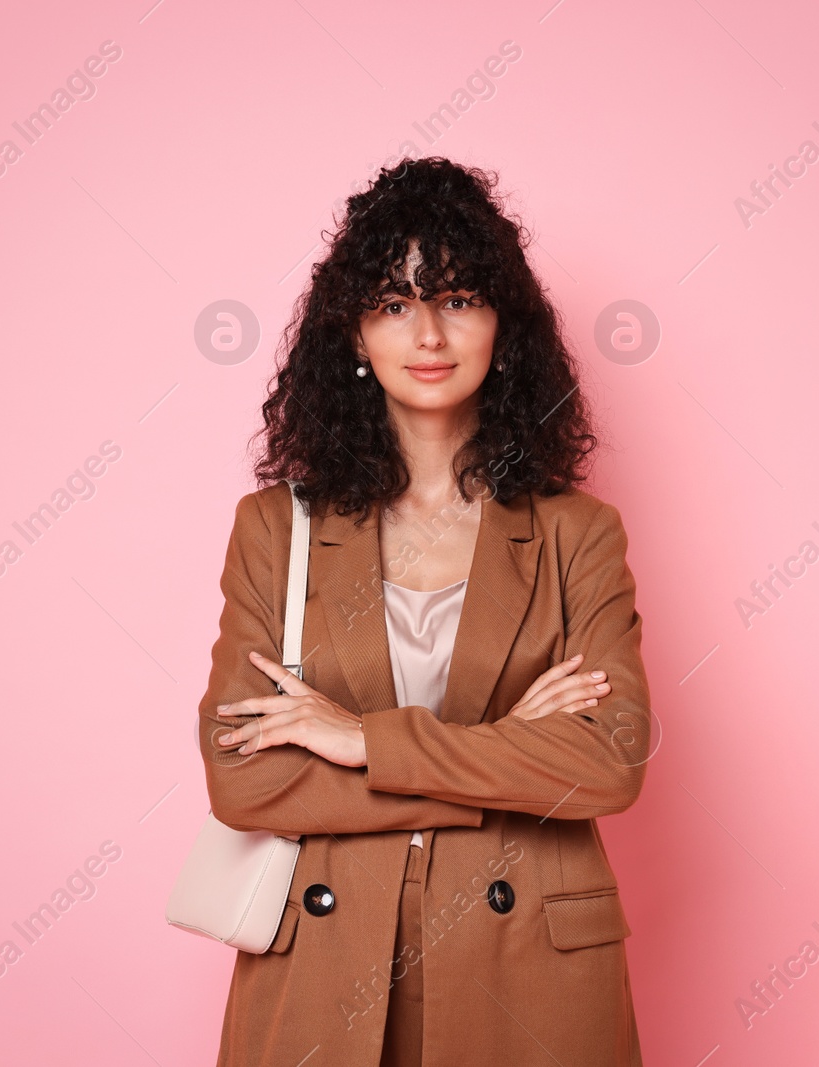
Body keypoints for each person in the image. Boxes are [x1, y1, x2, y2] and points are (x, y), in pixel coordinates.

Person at [199, 156, 651, 1066]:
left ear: (503, 327)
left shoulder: (578, 533)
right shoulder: (274, 530)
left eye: (458, 297)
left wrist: (362, 739)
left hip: (528, 975)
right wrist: (511, 754)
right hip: (327, 970)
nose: (431, 332)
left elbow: (609, 762)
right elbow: (243, 781)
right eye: (397, 304)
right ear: (355, 335)